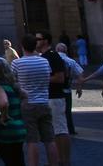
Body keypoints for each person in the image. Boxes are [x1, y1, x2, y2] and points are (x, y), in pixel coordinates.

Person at [9, 34, 57, 166]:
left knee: (31, 141)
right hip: (44, 102)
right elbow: (47, 78)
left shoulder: (17, 63)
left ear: (23, 46)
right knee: (50, 139)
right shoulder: (44, 61)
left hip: (28, 104)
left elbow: (12, 82)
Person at [34, 32, 69, 166]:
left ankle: (64, 160)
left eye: (38, 39)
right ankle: (59, 160)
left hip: (56, 97)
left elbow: (60, 78)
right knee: (55, 130)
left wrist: (42, 79)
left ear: (46, 41)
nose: (36, 41)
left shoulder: (53, 56)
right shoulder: (44, 56)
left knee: (61, 130)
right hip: (49, 97)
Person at [0, 60, 27, 166]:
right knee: (19, 160)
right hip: (18, 128)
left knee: (10, 161)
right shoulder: (13, 87)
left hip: (6, 132)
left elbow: (4, 102)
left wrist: (3, 117)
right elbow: (25, 97)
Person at [54, 43, 81, 135]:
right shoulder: (71, 61)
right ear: (66, 50)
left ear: (56, 50)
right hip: (67, 89)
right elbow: (80, 74)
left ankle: (58, 130)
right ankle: (70, 129)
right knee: (67, 111)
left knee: (55, 111)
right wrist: (79, 87)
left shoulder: (53, 60)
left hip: (54, 90)